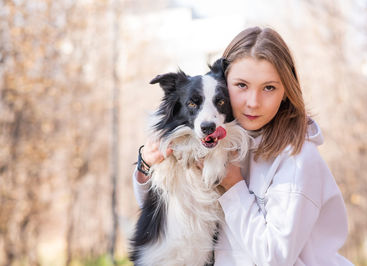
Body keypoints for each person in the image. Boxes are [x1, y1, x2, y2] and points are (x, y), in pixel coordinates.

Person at [133, 26, 353, 265]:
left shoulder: (298, 162)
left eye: (269, 87)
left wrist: (234, 186)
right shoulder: (228, 144)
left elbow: (274, 258)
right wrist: (146, 165)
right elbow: (168, 209)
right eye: (241, 85)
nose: (253, 102)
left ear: (286, 92)